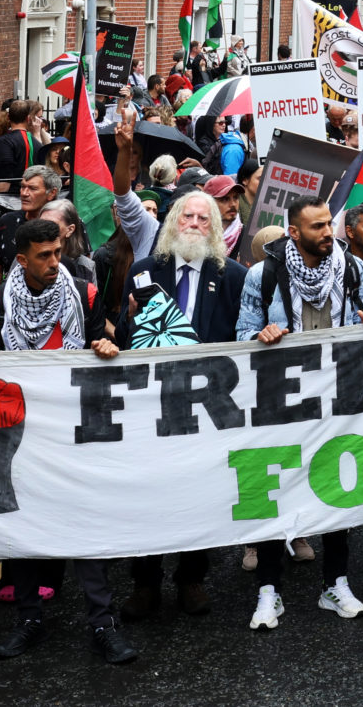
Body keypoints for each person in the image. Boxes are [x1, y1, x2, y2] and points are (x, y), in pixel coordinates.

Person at [0, 218, 135, 661]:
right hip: (18, 435)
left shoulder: (83, 292)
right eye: (44, 256)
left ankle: (103, 622)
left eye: (58, 252)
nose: (55, 262)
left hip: (73, 433)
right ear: (21, 259)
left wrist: (104, 347)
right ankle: (29, 618)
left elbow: (98, 340)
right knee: (22, 530)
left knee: (85, 526)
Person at [235, 197, 363, 630]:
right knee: (273, 492)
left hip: (338, 400)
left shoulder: (353, 268)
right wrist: (260, 334)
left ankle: (335, 583)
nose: (327, 232)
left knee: (337, 487)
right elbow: (242, 333)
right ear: (293, 233)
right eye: (317, 226)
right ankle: (269, 591)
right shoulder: (261, 275)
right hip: (282, 402)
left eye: (329, 224)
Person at [116, 190, 249, 619]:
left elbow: (240, 338)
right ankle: (145, 583)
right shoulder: (142, 271)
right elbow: (121, 338)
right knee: (148, 494)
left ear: (215, 228)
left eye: (203, 218)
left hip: (209, 404)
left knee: (201, 491)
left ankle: (192, 578)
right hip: (154, 405)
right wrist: (133, 319)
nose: (193, 224)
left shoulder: (232, 276)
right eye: (186, 217)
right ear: (173, 223)